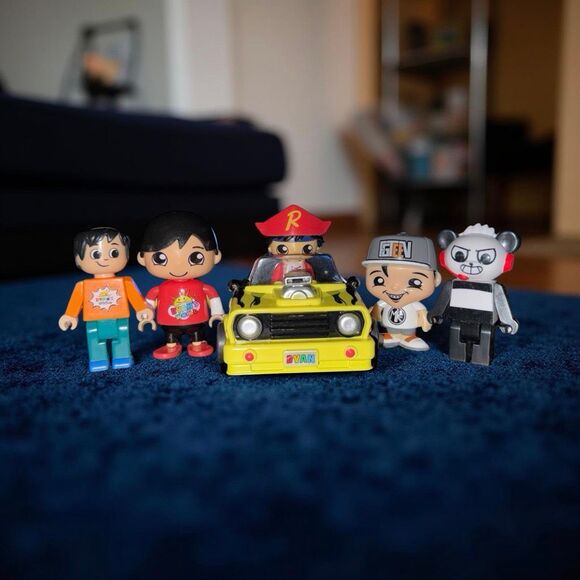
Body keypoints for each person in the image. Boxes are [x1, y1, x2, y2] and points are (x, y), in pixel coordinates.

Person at [59, 227, 154, 372]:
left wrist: (142, 309)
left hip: (120, 318)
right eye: (96, 254)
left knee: (121, 336)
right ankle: (98, 359)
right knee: (94, 337)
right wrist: (70, 315)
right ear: (78, 259)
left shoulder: (125, 282)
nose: (104, 259)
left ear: (126, 254)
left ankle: (122, 356)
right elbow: (75, 302)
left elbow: (136, 298)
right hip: (94, 320)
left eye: (114, 253)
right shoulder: (83, 286)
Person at [138, 212, 224, 360]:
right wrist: (146, 314)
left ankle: (198, 343)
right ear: (142, 258)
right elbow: (149, 304)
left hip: (197, 321)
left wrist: (217, 313)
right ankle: (171, 345)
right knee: (170, 334)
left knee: (197, 333)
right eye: (160, 258)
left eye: (195, 257)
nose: (178, 266)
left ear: (216, 256)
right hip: (169, 323)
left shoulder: (203, 287)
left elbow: (213, 298)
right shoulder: (158, 290)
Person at [363, 234, 440, 351]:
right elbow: (376, 312)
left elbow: (422, 313)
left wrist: (425, 320)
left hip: (409, 328)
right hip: (389, 326)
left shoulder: (415, 305)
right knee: (388, 332)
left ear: (436, 279)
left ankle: (409, 337)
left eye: (414, 281)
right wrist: (371, 318)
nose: (395, 287)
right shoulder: (383, 303)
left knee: (408, 333)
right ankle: (391, 335)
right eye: (379, 280)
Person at [255, 204, 332, 282]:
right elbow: (275, 279)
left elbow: (312, 277)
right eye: (283, 249)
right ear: (270, 248)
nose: (295, 254)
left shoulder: (307, 266)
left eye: (306, 249)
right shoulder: (280, 267)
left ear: (317, 247)